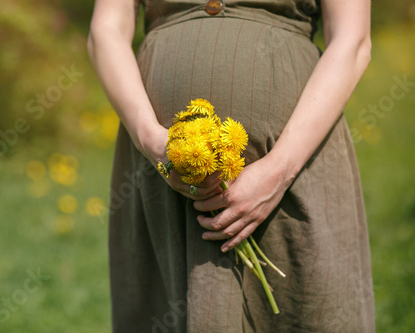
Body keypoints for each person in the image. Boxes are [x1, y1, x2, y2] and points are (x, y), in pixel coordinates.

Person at [88, 0, 375, 331]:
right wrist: (153, 141)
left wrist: (279, 171)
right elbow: (105, 30)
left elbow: (352, 39)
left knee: (301, 305)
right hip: (158, 164)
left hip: (297, 158)